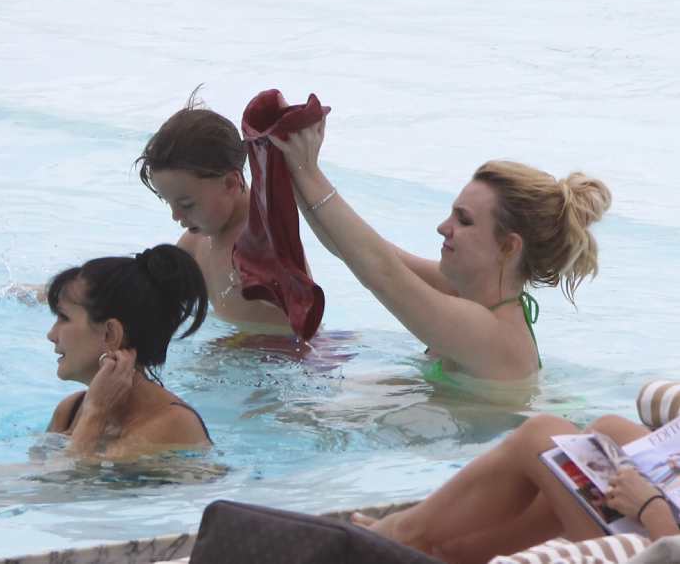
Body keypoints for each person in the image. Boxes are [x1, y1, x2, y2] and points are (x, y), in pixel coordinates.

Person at [270, 118, 611, 381]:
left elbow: (381, 273)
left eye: (464, 220)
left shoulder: (490, 332)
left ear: (508, 247)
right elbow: (351, 250)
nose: (443, 227)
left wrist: (307, 170)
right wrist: (291, 167)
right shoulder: (469, 291)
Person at [349, 414, 679, 563]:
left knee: (544, 436)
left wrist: (650, 506)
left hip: (661, 540)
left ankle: (404, 536)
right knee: (607, 432)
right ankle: (449, 551)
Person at [136, 91, 304, 334]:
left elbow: (300, 322)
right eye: (168, 202)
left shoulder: (264, 246)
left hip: (286, 353)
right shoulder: (196, 242)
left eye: (186, 204)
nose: (176, 216)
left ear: (230, 183)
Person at [45, 243, 212, 459]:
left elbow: (68, 477)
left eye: (64, 318)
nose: (51, 334)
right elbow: (37, 475)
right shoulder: (69, 411)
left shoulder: (173, 425)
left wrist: (95, 414)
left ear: (110, 334)